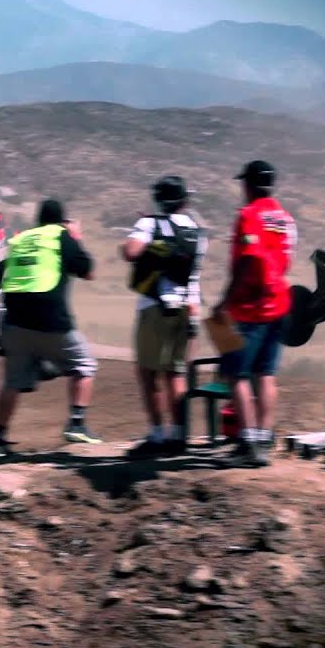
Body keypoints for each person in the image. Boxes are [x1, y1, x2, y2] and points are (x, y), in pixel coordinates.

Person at [0, 197, 100, 456]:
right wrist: (76, 237)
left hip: (14, 322)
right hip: (51, 321)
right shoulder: (61, 237)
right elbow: (88, 271)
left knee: (12, 382)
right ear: (62, 220)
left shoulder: (23, 239)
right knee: (85, 365)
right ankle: (76, 424)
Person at [210, 160, 297, 468]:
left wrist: (225, 300)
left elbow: (247, 260)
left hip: (250, 306)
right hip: (280, 301)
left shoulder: (249, 215)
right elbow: (286, 259)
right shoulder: (285, 218)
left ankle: (247, 443)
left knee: (236, 374)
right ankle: (262, 437)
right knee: (266, 374)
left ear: (248, 185)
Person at [121, 175, 208, 457]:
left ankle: (158, 435)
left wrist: (145, 234)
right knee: (176, 373)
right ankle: (180, 436)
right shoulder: (196, 230)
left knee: (148, 373)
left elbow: (130, 252)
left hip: (156, 306)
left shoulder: (149, 224)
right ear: (185, 200)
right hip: (189, 307)